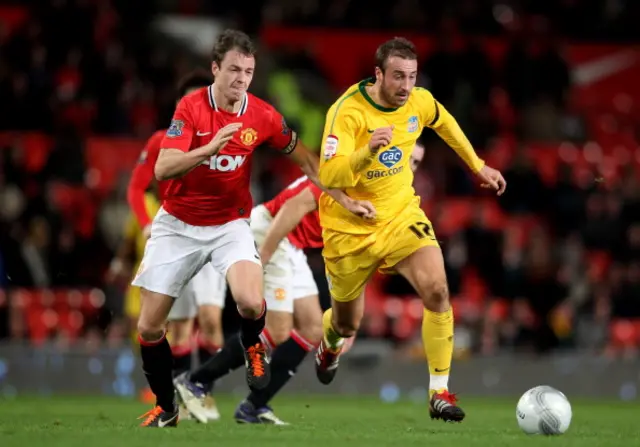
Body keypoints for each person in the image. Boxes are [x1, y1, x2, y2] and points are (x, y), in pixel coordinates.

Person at [133, 29, 373, 428]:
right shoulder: (190, 109)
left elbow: (308, 162)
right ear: (215, 69)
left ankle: (252, 349)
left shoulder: (261, 114)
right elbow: (162, 169)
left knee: (249, 300)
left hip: (230, 223)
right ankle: (166, 406)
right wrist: (209, 149)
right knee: (149, 326)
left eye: (248, 71)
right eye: (233, 70)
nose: (241, 78)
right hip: (178, 224)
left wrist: (343, 198)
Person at [315, 37, 507, 423]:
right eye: (398, 76)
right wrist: (367, 150)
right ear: (378, 74)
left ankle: (439, 393)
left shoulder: (418, 101)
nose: (406, 86)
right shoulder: (347, 112)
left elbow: (444, 120)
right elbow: (328, 173)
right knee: (346, 322)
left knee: (437, 288)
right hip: (350, 227)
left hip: (401, 216)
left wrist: (477, 165)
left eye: (412, 76)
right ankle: (330, 344)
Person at [175, 144, 422, 425]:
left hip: (294, 246)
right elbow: (295, 205)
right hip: (271, 230)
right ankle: (196, 381)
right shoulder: (356, 175)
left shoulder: (385, 196)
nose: (412, 168)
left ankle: (253, 406)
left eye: (417, 163)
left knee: (313, 328)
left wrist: (349, 319)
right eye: (409, 159)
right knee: (278, 329)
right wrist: (263, 256)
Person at [127, 70, 225, 422]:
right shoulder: (160, 142)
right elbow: (136, 187)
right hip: (177, 238)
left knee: (212, 320)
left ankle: (203, 394)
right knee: (179, 327)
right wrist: (144, 223)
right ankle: (182, 398)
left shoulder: (228, 140)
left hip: (213, 233)